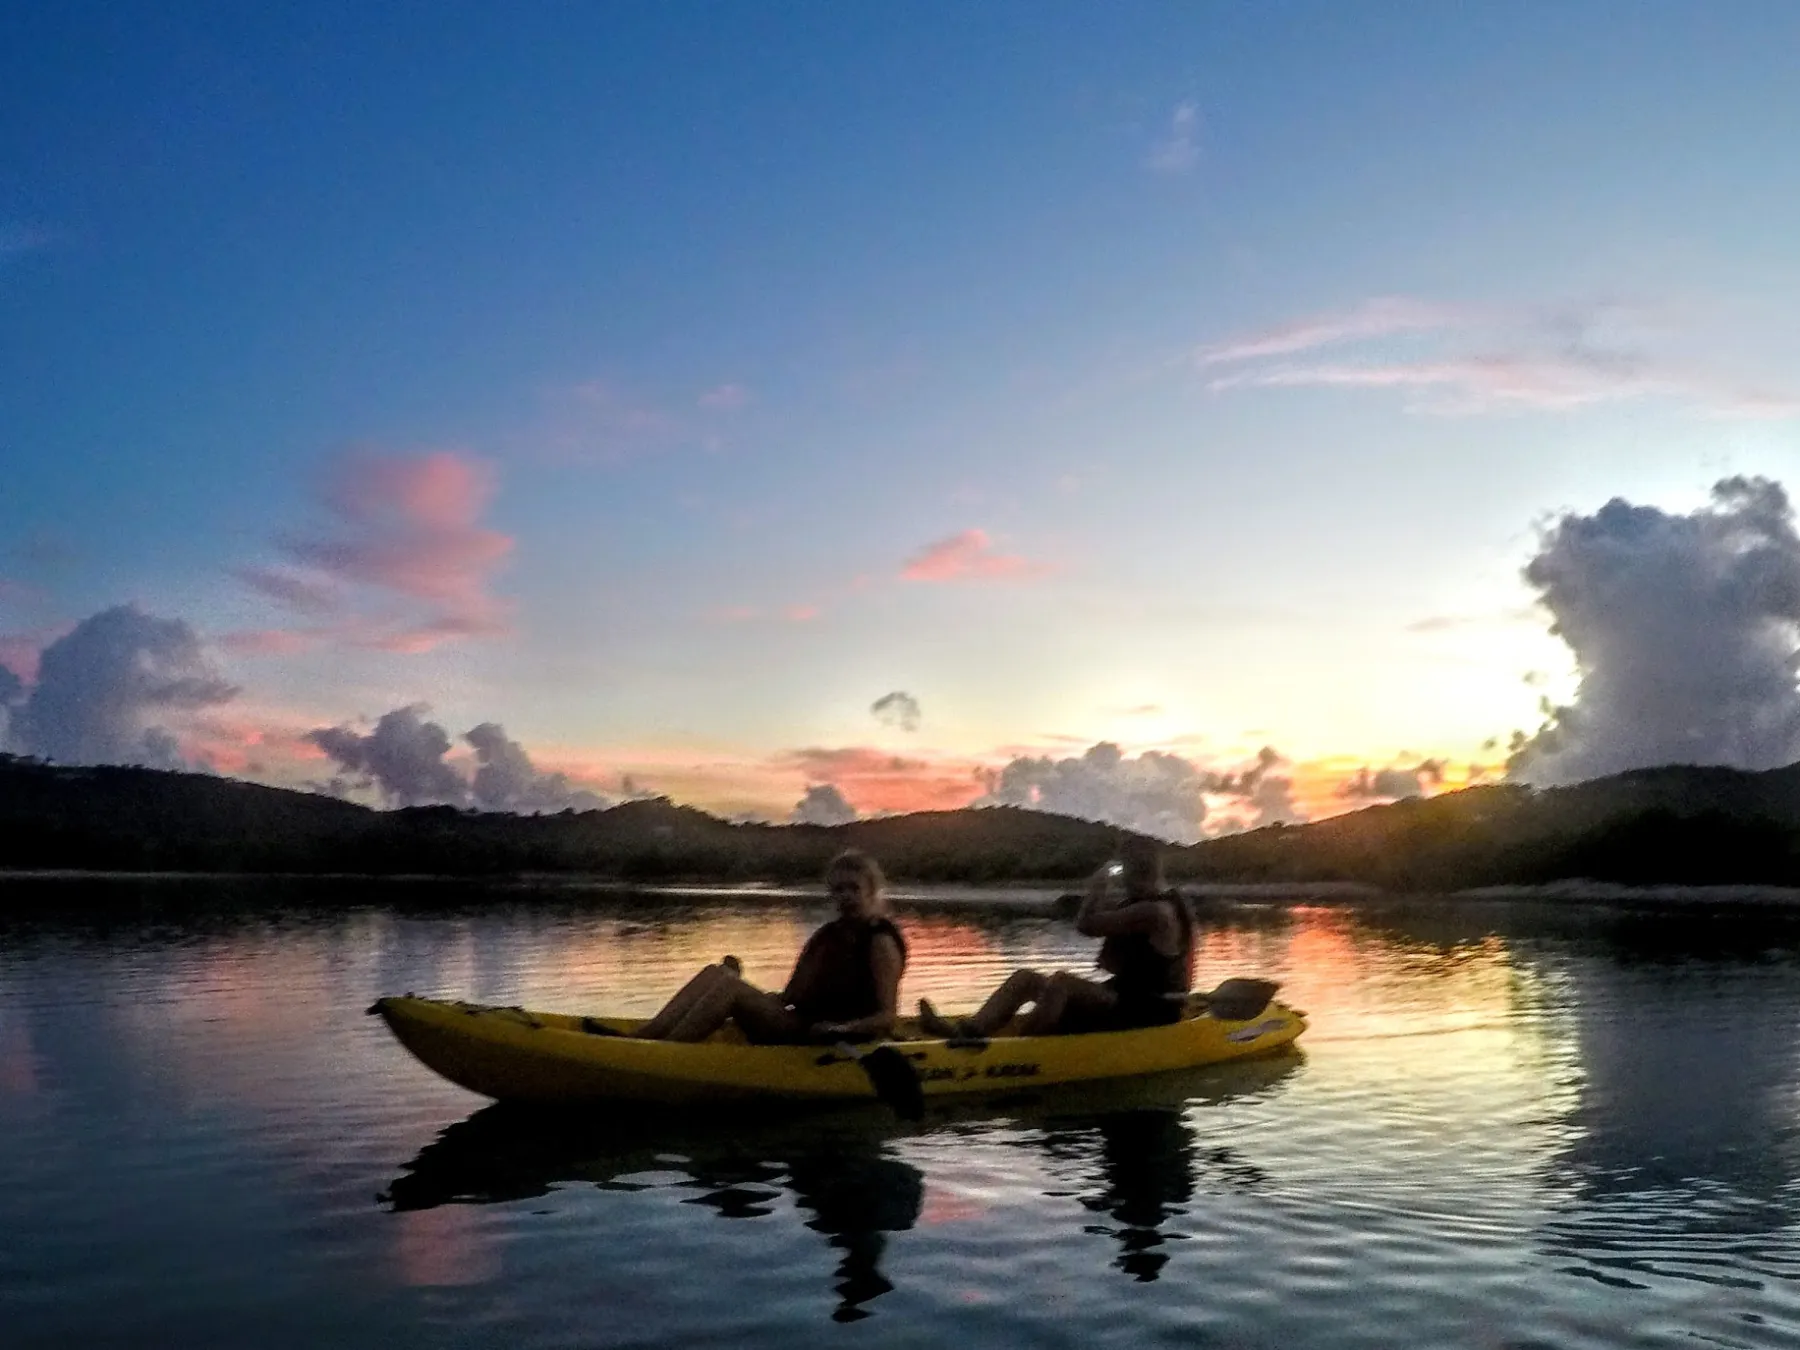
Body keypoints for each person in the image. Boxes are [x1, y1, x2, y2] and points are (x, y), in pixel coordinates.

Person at [918, 841, 1194, 1037]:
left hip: (1147, 1009)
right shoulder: (1153, 904)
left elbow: (1086, 925)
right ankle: (968, 1032)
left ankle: (1020, 1053)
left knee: (1062, 983)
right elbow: (1118, 959)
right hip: (1124, 997)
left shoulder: (1156, 911)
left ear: (1131, 871)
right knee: (1024, 979)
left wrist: (1097, 889)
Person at [630, 850, 907, 1043]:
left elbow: (886, 1017)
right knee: (717, 974)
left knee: (729, 987)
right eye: (838, 890)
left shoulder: (879, 940)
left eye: (853, 888)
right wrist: (753, 997)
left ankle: (668, 1052)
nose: (845, 896)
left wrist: (842, 1028)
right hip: (802, 1023)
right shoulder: (827, 935)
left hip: (832, 1037)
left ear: (871, 891)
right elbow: (791, 996)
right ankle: (647, 1035)